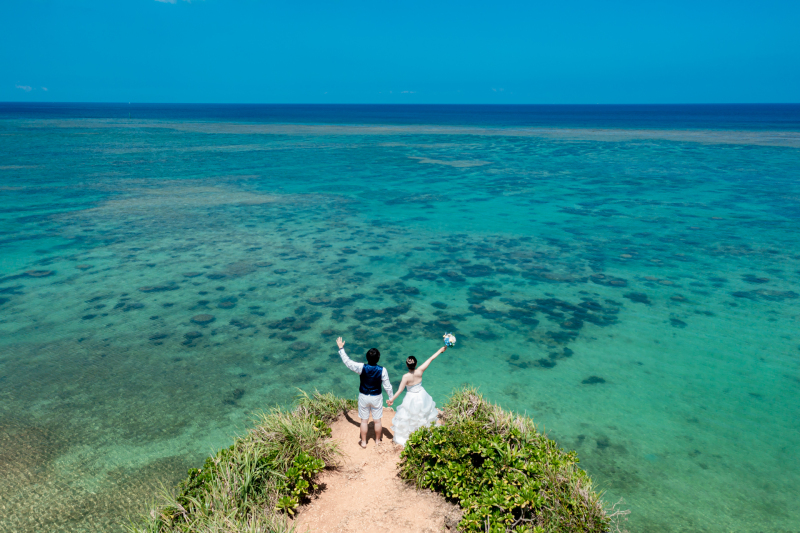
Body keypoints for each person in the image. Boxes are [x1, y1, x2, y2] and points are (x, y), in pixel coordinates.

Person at [336, 336, 393, 448]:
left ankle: (363, 442)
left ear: (367, 357)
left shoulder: (361, 367)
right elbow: (388, 386)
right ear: (378, 358)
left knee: (363, 421)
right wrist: (390, 398)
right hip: (376, 397)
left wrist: (341, 349)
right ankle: (377, 441)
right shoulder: (383, 370)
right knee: (377, 421)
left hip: (363, 396)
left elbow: (348, 362)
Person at [387, 344, 447, 446]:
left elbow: (400, 390)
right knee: (423, 415)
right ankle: (424, 435)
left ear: (407, 365)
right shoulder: (420, 371)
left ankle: (412, 436)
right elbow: (431, 358)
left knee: (410, 417)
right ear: (416, 364)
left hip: (411, 398)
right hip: (422, 395)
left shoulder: (405, 377)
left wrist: (391, 400)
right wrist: (440, 350)